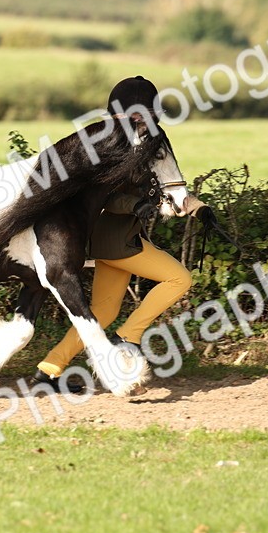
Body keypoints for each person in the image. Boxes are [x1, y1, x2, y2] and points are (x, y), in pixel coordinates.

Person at [32, 77, 205, 392]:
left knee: (103, 311)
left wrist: (199, 209)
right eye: (144, 115)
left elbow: (165, 189)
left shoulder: (139, 144)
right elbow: (106, 196)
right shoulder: (114, 148)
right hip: (117, 242)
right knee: (180, 279)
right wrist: (140, 204)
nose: (148, 121)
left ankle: (49, 369)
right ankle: (130, 337)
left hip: (112, 240)